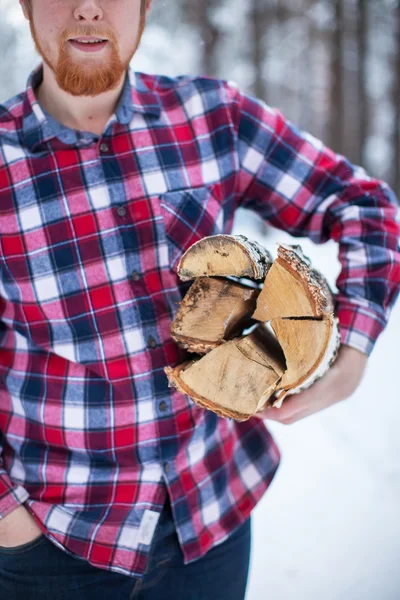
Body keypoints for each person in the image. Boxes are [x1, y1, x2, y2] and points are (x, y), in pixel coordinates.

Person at [0, 0, 399, 598]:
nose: (87, 8)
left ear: (142, 7)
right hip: (54, 543)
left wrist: (355, 354)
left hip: (212, 511)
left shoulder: (214, 116)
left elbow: (364, 205)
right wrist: (8, 518)